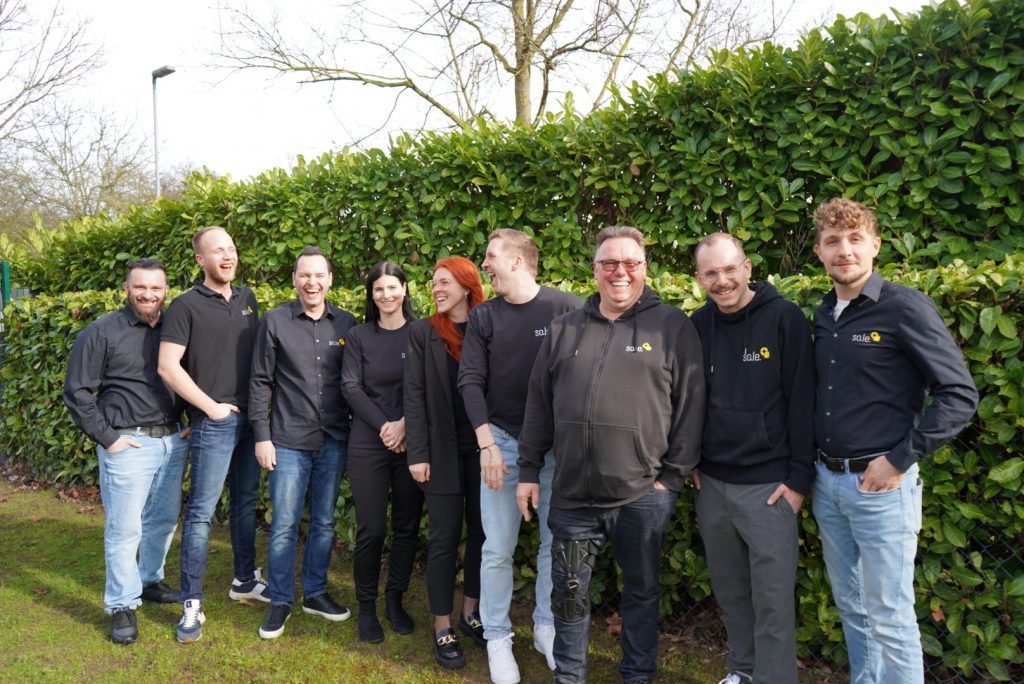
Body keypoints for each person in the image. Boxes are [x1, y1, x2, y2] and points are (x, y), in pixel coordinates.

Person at [517, 225, 706, 684]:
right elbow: (539, 404)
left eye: (630, 263)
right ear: (595, 269)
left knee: (641, 593)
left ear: (644, 268)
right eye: (609, 263)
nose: (620, 272)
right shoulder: (564, 329)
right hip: (572, 493)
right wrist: (527, 470)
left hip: (643, 494)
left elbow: (691, 404)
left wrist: (670, 479)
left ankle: (637, 675)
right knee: (569, 594)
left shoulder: (671, 326)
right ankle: (569, 677)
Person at [810, 198, 978, 683]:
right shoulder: (824, 314)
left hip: (880, 488)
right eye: (833, 241)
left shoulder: (904, 307)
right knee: (852, 607)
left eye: (855, 239)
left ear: (876, 246)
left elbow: (959, 394)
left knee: (889, 614)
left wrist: (900, 459)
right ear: (820, 252)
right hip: (827, 484)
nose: (844, 250)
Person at [458, 229, 582, 684]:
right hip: (503, 445)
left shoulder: (567, 308)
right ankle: (497, 635)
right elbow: (470, 381)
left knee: (555, 543)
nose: (484, 264)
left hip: (555, 449)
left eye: (491, 256)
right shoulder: (484, 316)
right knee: (496, 549)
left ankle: (546, 628)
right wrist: (487, 445)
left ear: (516, 260)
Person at [690, 233, 815, 684]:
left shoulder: (784, 318)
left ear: (746, 268)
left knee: (773, 601)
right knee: (731, 593)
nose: (721, 281)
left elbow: (803, 399)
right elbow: (688, 399)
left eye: (729, 269)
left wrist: (799, 479)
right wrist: (691, 460)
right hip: (712, 486)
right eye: (711, 273)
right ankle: (742, 671)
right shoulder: (697, 324)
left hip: (769, 487)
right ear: (699, 278)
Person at [63, 259, 189, 645]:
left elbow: (193, 376)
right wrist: (109, 439)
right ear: (126, 289)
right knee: (125, 528)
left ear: (166, 290)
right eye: (140, 287)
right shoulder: (101, 332)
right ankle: (122, 604)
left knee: (163, 520)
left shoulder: (176, 329)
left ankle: (150, 581)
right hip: (127, 444)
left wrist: (191, 423)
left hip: (172, 440)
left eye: (156, 288)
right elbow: (77, 391)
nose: (148, 294)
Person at [158, 225, 267, 643]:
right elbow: (168, 366)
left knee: (244, 505)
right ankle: (192, 603)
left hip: (250, 423)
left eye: (232, 249)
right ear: (200, 260)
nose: (227, 256)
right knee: (202, 514)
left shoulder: (248, 299)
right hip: (215, 423)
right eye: (217, 251)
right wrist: (210, 409)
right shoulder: (185, 306)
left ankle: (244, 580)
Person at [248, 246, 356, 639]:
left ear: (330, 280)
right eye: (304, 275)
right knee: (284, 524)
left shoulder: (347, 323)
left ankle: (315, 593)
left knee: (324, 522)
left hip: (334, 439)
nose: (312, 282)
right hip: (288, 439)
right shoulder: (275, 321)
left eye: (319, 275)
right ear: (294, 280)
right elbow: (260, 381)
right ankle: (280, 600)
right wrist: (262, 436)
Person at [404, 256, 487, 670]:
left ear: (467, 286)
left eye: (444, 282)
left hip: (485, 451)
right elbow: (414, 395)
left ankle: (471, 613)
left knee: (483, 535)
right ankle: (442, 625)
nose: (436, 289)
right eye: (433, 283)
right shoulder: (423, 332)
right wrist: (417, 453)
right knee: (443, 539)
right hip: (440, 452)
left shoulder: (488, 324)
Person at [341, 260, 423, 644]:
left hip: (412, 442)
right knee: (372, 529)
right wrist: (387, 427)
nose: (386, 295)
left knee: (407, 526)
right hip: (368, 443)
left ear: (404, 289)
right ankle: (366, 607)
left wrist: (404, 424)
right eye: (379, 289)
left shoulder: (421, 333)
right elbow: (350, 387)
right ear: (371, 295)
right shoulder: (359, 336)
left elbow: (428, 386)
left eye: (392, 287)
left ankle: (395, 600)